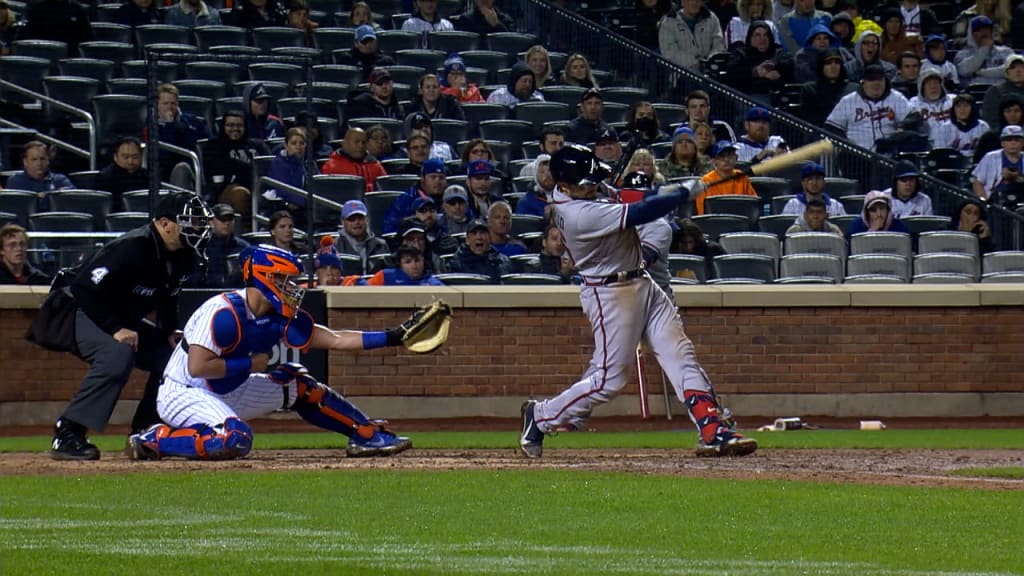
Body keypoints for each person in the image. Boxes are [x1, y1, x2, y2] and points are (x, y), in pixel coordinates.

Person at [518, 143, 755, 459]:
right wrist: (682, 193)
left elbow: (630, 195)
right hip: (609, 295)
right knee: (609, 380)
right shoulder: (577, 214)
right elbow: (641, 211)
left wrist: (670, 191)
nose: (595, 186)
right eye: (586, 184)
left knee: (679, 352)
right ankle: (541, 415)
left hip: (642, 282)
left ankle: (713, 428)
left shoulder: (584, 191)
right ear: (564, 187)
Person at [126, 244, 416, 461]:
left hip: (228, 388)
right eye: (283, 280)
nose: (292, 287)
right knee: (234, 438)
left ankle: (366, 435)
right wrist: (251, 363)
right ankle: (156, 439)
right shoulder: (223, 313)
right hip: (184, 391)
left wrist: (394, 337)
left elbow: (336, 339)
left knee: (300, 384)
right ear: (264, 278)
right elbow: (198, 367)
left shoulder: (277, 313)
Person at [48, 192, 211, 460]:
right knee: (117, 354)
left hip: (117, 315)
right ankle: (68, 432)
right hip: (74, 307)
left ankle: (146, 433)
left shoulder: (184, 256)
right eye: (189, 221)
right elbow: (84, 289)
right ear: (165, 223)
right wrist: (115, 329)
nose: (197, 229)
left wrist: (169, 330)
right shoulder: (133, 246)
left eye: (199, 222)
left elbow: (168, 298)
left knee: (174, 359)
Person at [825, 64, 911, 152]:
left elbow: (912, 119)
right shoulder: (849, 101)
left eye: (880, 79)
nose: (876, 83)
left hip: (888, 157)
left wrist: (897, 135)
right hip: (856, 156)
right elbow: (832, 127)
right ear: (863, 82)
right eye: (871, 79)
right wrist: (847, 145)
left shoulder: (896, 98)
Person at [202, 111, 271, 217]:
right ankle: (247, 230)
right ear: (223, 127)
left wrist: (239, 169)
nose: (235, 129)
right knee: (240, 194)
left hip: (258, 188)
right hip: (225, 190)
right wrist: (246, 170)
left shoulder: (258, 146)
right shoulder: (214, 146)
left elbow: (269, 166)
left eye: (239, 125)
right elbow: (216, 172)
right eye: (230, 125)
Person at [726, 19, 795, 95]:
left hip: (777, 94)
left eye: (766, 35)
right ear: (750, 37)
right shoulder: (741, 54)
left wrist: (778, 70)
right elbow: (732, 73)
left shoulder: (778, 51)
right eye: (758, 35)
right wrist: (755, 72)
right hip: (750, 96)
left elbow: (790, 62)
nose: (762, 39)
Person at [382, 158, 447, 234]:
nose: (437, 181)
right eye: (433, 177)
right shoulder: (406, 200)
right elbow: (390, 227)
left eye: (441, 177)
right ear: (422, 178)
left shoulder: (451, 200)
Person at [658, 0, 726, 71]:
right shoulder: (668, 23)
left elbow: (719, 44)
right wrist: (697, 63)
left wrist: (709, 62)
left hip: (710, 71)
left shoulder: (712, 18)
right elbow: (670, 54)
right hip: (682, 74)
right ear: (682, 2)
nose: (694, 2)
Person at [6, 141, 72, 212]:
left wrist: (44, 195)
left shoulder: (60, 180)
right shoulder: (15, 181)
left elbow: (73, 196)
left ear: (48, 160)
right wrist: (53, 194)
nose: (39, 163)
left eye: (42, 159)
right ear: (25, 162)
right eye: (34, 159)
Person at [799, 48, 858, 128]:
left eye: (837, 63)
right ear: (821, 66)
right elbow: (810, 121)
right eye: (828, 63)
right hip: (821, 134)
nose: (833, 66)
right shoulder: (810, 89)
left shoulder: (853, 89)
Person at [263, 127, 315, 215]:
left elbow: (317, 186)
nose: (298, 147)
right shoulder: (278, 163)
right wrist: (307, 201)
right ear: (286, 145)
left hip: (307, 207)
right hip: (284, 208)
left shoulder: (310, 163)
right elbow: (283, 191)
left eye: (302, 143)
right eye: (294, 143)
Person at [696, 140, 758, 215]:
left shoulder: (742, 177)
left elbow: (753, 205)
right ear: (714, 161)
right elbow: (701, 212)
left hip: (741, 222)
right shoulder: (706, 181)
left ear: (736, 158)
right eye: (722, 156)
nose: (726, 159)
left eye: (730, 155)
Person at [197, 204, 250, 288]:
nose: (227, 223)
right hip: (207, 295)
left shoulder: (244, 248)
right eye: (222, 219)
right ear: (211, 222)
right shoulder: (201, 248)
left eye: (230, 219)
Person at [321, 127, 387, 193]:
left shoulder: (375, 164)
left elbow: (384, 188)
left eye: (363, 143)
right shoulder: (331, 167)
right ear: (345, 144)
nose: (361, 145)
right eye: (356, 142)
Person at [955, 16, 1014, 87]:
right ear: (972, 34)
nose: (984, 32)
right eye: (979, 30)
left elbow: (1011, 70)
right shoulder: (962, 54)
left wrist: (981, 72)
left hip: (1001, 91)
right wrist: (984, 49)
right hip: (974, 92)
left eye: (987, 29)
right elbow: (963, 71)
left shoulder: (1006, 51)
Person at [335, 199, 391, 275]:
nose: (357, 222)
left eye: (360, 218)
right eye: (351, 219)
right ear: (342, 221)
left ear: (367, 219)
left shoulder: (381, 245)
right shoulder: (335, 246)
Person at [95, 136, 149, 213]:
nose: (130, 161)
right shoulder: (105, 178)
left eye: (135, 157)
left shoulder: (149, 177)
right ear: (115, 157)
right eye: (126, 157)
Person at [972, 125, 1024, 201]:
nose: (1013, 143)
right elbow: (978, 182)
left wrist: (1017, 178)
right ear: (1002, 143)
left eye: (1017, 140)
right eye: (1009, 140)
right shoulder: (990, 157)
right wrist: (984, 203)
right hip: (995, 202)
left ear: (1023, 143)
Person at [23, 0, 92, 55]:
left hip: (69, 58)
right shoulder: (37, 10)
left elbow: (87, 39)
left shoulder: (77, 10)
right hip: (42, 57)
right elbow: (30, 40)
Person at [934, 93, 989, 158]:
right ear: (953, 109)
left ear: (973, 108)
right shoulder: (944, 128)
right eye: (958, 106)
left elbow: (987, 152)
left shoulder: (983, 126)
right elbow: (939, 153)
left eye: (966, 106)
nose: (962, 109)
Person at [781, 162, 846, 216]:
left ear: (823, 182)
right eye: (810, 179)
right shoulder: (792, 205)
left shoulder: (836, 206)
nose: (814, 183)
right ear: (803, 183)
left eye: (818, 178)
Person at [364, 243, 444, 285]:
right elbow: (363, 289)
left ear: (423, 260)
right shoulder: (384, 276)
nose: (414, 265)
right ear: (400, 264)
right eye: (408, 262)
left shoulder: (435, 285)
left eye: (417, 260)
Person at [909, 68, 953, 142]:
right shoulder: (913, 103)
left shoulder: (953, 100)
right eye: (929, 83)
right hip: (926, 145)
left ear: (941, 85)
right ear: (921, 87)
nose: (933, 87)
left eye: (936, 82)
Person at [981, 54, 1024, 129]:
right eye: (1013, 68)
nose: (1018, 71)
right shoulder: (995, 91)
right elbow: (990, 118)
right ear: (1007, 73)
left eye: (1022, 67)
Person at [844, 190, 910, 239]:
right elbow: (852, 251)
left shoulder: (899, 225)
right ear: (866, 213)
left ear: (888, 210)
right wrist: (871, 231)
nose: (879, 214)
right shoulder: (857, 225)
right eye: (873, 210)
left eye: (882, 208)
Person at [515, 155, 554, 220]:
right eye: (542, 172)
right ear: (536, 176)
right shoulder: (525, 203)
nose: (547, 175)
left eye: (550, 171)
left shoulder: (565, 196)